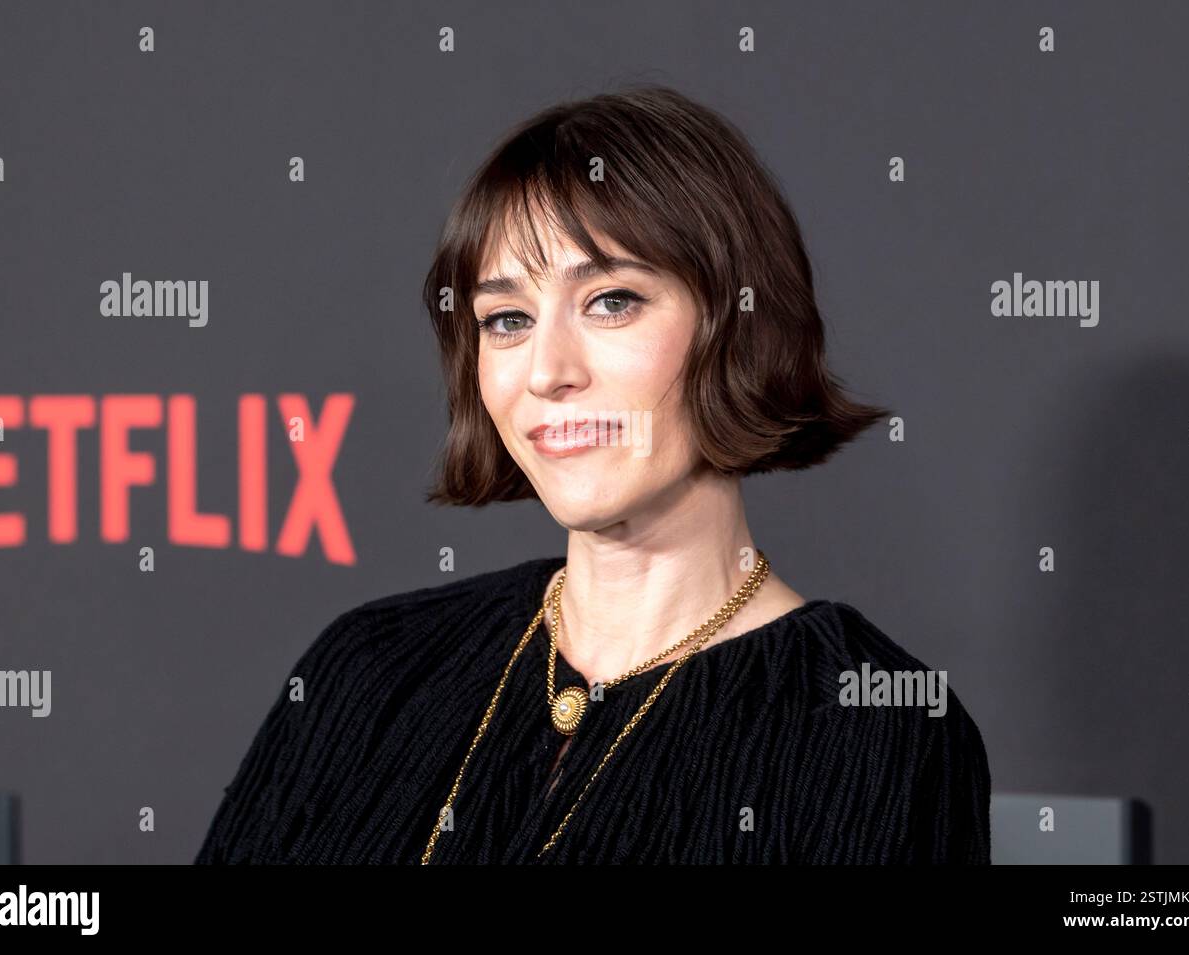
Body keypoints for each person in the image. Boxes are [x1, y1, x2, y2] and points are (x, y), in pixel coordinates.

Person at [195, 84, 991, 864]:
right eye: (507, 319)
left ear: (739, 326)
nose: (547, 371)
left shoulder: (876, 728)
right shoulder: (370, 667)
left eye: (611, 300)